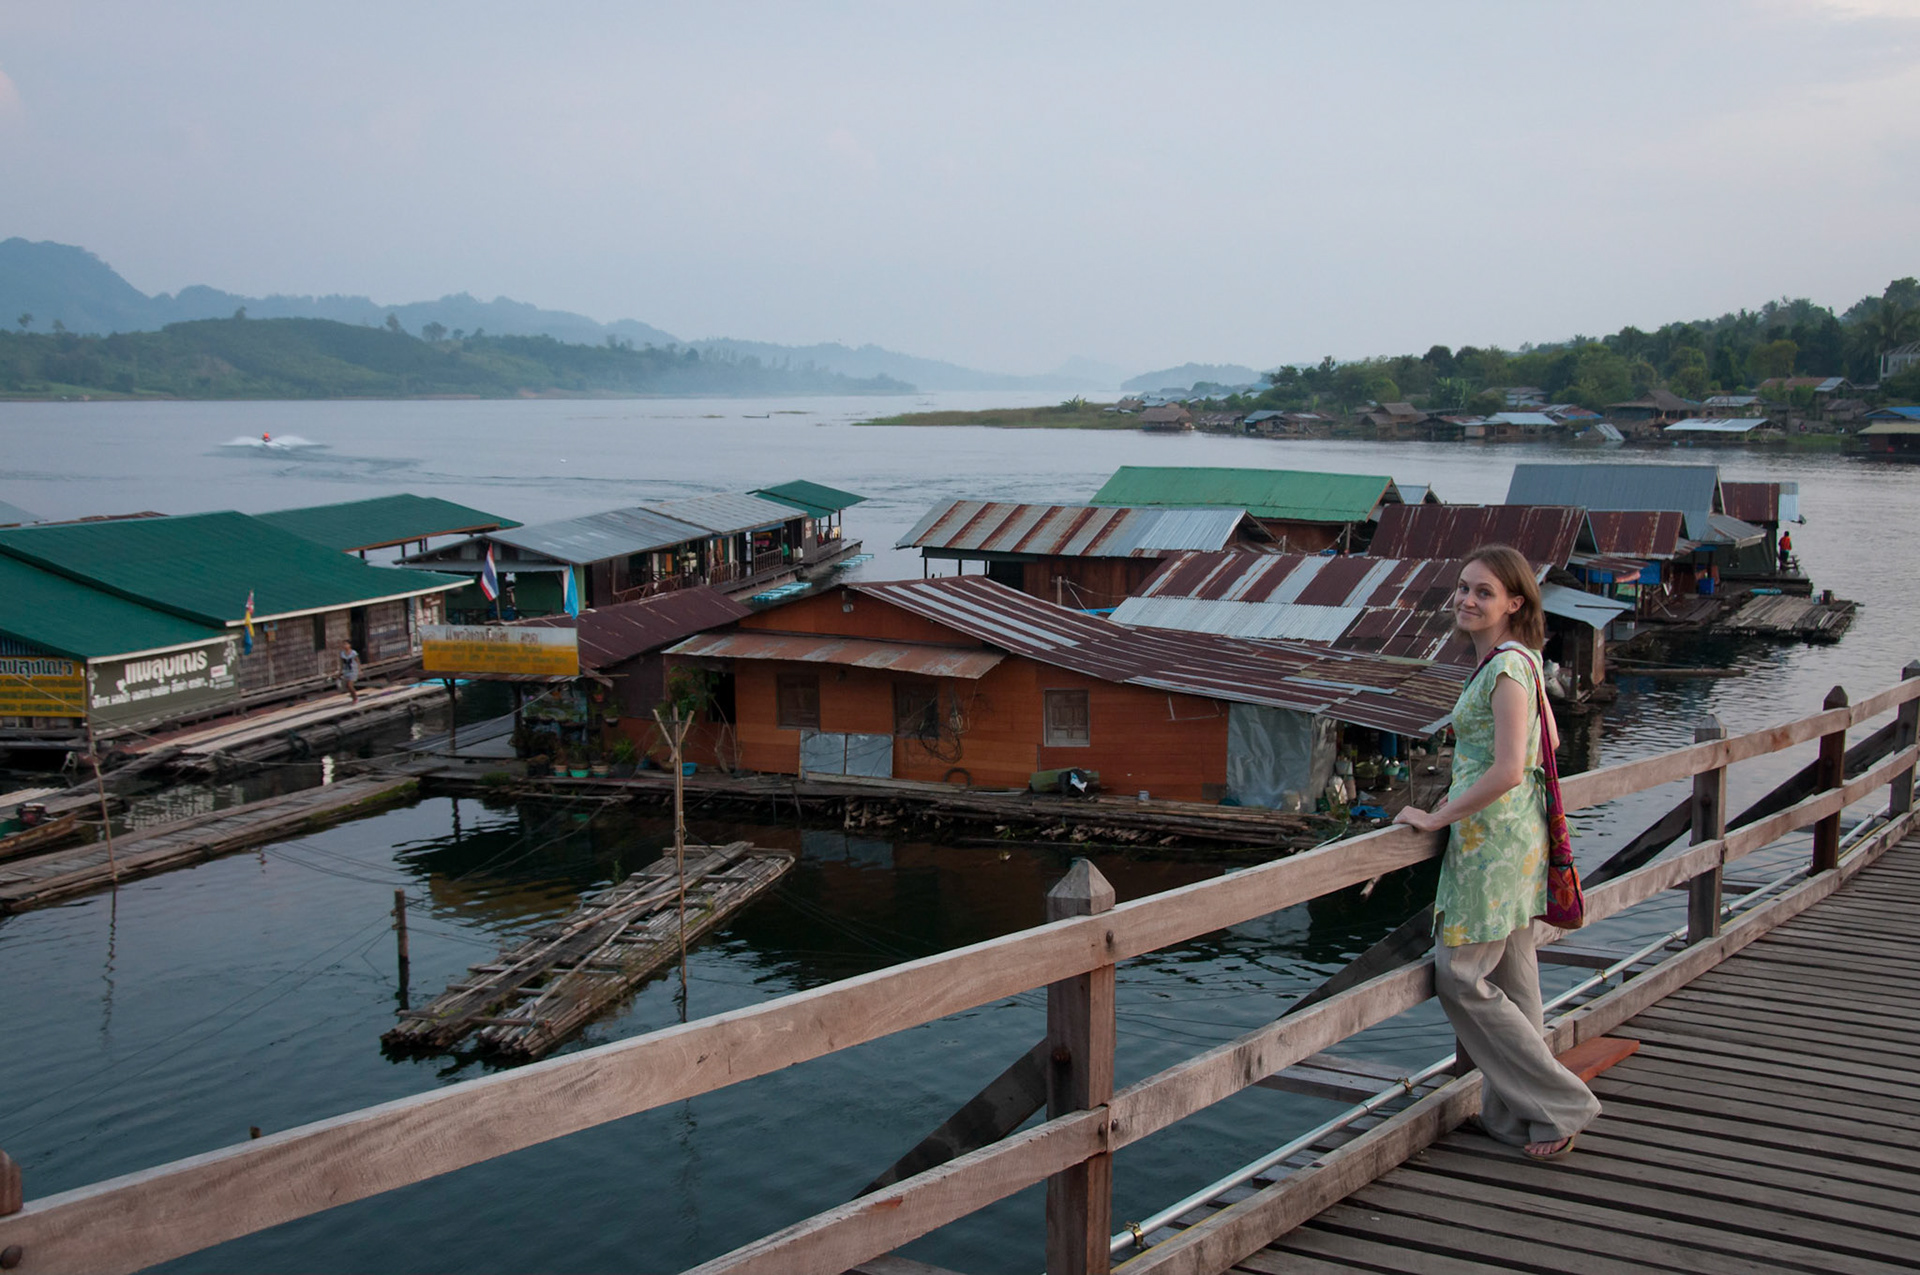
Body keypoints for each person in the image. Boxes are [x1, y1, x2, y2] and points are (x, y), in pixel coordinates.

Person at [1394, 544, 1600, 1160]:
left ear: (1515, 603)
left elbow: (1513, 768)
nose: (1467, 600)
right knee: (1513, 973)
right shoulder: (1522, 663)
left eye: (1484, 592)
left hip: (1493, 844)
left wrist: (1436, 815)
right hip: (1515, 840)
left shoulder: (1507, 670)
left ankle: (1561, 1103)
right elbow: (1552, 739)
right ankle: (1519, 1119)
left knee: (1459, 976)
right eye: (1462, 588)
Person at [338, 638, 361, 704]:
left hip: (353, 670)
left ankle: (355, 698)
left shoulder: (353, 653)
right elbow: (341, 664)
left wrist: (359, 670)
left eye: (346, 644)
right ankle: (353, 696)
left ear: (349, 645)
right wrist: (340, 673)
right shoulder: (342, 653)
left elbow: (358, 661)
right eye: (343, 644)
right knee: (346, 686)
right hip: (346, 671)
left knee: (350, 685)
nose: (344, 646)